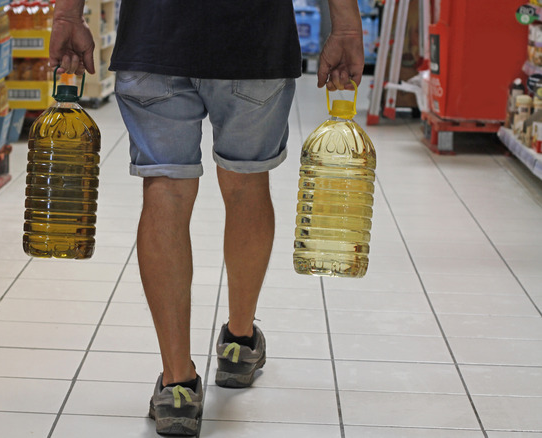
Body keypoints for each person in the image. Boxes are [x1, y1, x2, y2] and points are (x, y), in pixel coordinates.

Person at [49, 1, 364, 435]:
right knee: (246, 184)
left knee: (166, 191)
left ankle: (176, 387)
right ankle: (238, 343)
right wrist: (346, 25)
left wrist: (67, 16)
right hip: (253, 39)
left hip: (154, 37)